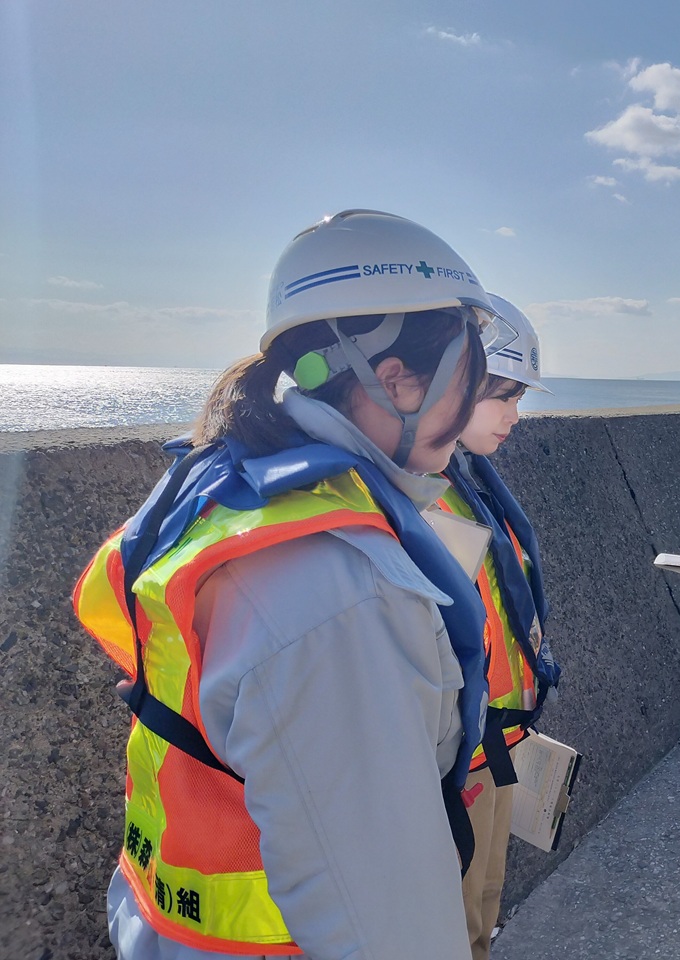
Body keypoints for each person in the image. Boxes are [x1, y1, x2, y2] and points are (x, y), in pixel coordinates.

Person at [72, 209, 518, 959]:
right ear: (396, 380)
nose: (469, 412)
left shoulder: (221, 494)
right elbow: (387, 926)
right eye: (467, 382)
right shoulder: (340, 589)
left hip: (164, 927)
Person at [434, 295, 561, 960]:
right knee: (449, 928)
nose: (515, 415)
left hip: (494, 738)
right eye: (501, 396)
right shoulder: (420, 493)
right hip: (453, 760)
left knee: (482, 910)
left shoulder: (467, 477)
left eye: (519, 398)